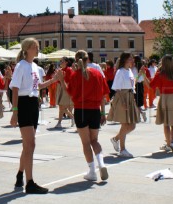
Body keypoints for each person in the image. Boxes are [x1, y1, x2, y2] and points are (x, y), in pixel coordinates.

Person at [9, 38, 63, 194]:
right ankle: (30, 182)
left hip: (34, 104)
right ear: (27, 49)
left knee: (28, 145)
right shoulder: (21, 66)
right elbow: (15, 89)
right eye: (35, 47)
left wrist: (54, 80)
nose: (38, 49)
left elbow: (38, 86)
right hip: (24, 103)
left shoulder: (36, 67)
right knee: (30, 144)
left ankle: (20, 174)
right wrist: (15, 112)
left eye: (38, 46)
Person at [64, 50, 109, 182]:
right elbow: (103, 95)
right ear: (88, 59)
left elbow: (70, 94)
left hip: (81, 110)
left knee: (85, 143)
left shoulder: (75, 75)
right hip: (95, 110)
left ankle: (92, 171)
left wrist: (62, 80)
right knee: (94, 140)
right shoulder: (97, 74)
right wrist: (102, 112)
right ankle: (102, 163)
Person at [149, 55, 173, 152]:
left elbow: (151, 85)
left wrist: (143, 76)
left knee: (166, 123)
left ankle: (169, 144)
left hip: (164, 98)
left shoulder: (160, 73)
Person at [108, 52, 138, 158]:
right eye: (130, 58)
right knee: (125, 125)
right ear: (125, 60)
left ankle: (115, 139)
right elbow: (117, 88)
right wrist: (123, 102)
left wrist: (132, 100)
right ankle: (123, 149)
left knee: (132, 125)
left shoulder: (129, 71)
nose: (132, 60)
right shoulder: (120, 72)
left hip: (129, 97)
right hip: (122, 98)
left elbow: (132, 85)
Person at [54, 57, 75, 129]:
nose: (61, 62)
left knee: (62, 106)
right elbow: (56, 79)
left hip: (65, 88)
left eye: (62, 61)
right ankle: (72, 117)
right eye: (60, 61)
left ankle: (59, 122)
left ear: (66, 62)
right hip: (60, 87)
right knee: (61, 106)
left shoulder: (69, 70)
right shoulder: (60, 70)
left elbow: (70, 81)